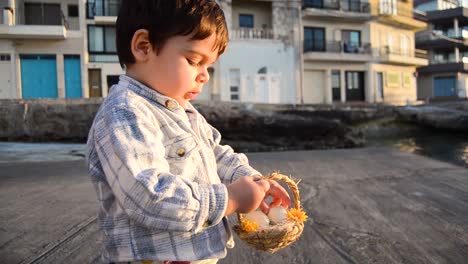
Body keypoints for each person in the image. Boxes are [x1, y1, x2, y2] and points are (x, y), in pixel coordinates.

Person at [86, 1, 290, 263]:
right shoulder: (125, 112)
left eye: (209, 66)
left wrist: (252, 180)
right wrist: (231, 198)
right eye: (194, 60)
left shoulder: (183, 111)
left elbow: (216, 155)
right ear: (143, 46)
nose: (204, 75)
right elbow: (148, 195)